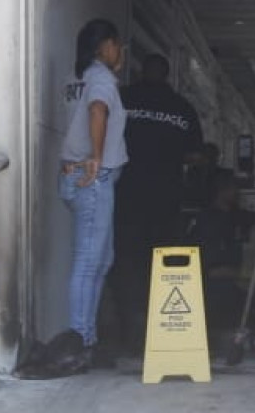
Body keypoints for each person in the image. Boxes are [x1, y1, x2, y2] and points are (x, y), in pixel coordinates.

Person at [112, 52, 204, 349]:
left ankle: (128, 331)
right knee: (162, 264)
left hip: (126, 195)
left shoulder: (123, 98)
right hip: (166, 198)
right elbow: (195, 155)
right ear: (167, 75)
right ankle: (158, 331)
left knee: (126, 262)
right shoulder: (182, 108)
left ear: (141, 71)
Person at [54, 17, 128, 369]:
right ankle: (80, 341)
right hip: (93, 180)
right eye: (117, 44)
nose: (121, 51)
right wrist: (97, 158)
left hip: (76, 176)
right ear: (105, 46)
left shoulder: (76, 77)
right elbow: (98, 111)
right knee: (88, 262)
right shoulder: (100, 78)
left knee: (101, 259)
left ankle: (87, 339)